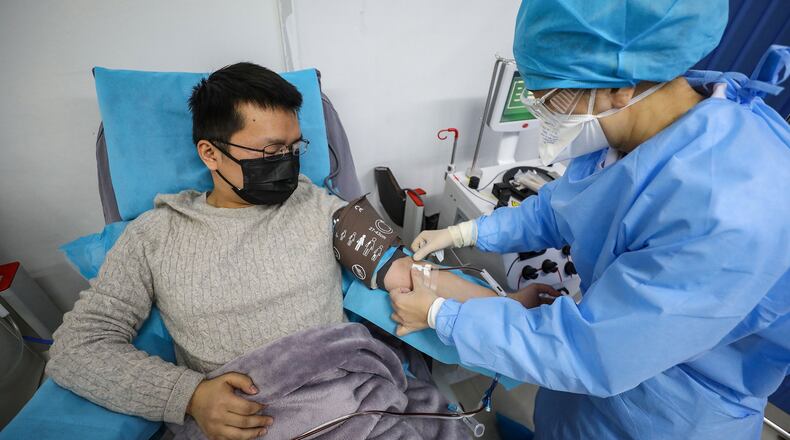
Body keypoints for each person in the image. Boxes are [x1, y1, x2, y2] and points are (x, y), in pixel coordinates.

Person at [47, 62, 511, 440]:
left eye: (294, 148)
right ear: (210, 154)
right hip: (247, 419)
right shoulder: (152, 237)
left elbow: (406, 273)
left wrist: (510, 310)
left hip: (352, 406)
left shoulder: (320, 205)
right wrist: (188, 395)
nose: (288, 165)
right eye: (270, 153)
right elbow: (78, 349)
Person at [389, 1, 790, 439]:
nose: (541, 107)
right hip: (601, 382)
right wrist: (467, 231)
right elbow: (565, 205)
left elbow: (592, 353)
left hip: (670, 412)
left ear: (621, 86)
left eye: (552, 96)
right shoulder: (642, 129)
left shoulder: (726, 208)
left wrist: (442, 315)